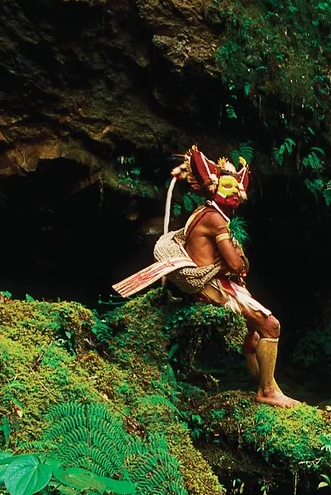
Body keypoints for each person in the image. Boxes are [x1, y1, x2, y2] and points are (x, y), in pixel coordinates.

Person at [114, 146, 298, 408]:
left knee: (255, 334)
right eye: (227, 187)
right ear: (213, 187)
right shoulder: (215, 220)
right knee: (271, 326)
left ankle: (264, 384)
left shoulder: (206, 212)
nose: (234, 193)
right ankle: (266, 391)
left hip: (218, 282)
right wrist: (238, 260)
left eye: (236, 188)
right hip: (212, 286)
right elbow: (235, 265)